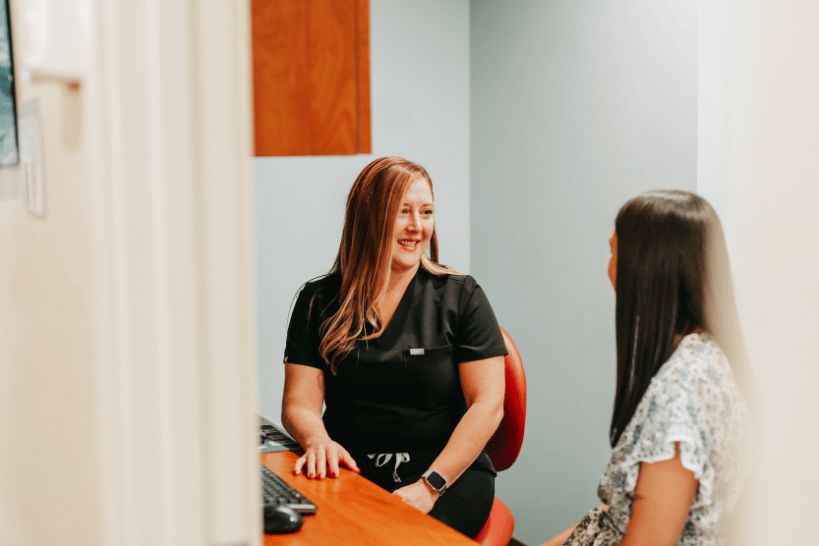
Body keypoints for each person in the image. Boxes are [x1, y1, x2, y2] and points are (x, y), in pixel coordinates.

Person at [281, 156, 507, 539]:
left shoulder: (461, 297)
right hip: (351, 473)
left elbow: (488, 405)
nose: (416, 227)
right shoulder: (319, 301)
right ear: (368, 218)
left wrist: (430, 486)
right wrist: (317, 441)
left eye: (426, 211)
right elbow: (299, 404)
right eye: (402, 212)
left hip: (445, 475)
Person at [544, 190, 753, 546]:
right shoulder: (711, 357)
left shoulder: (679, 396)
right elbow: (612, 515)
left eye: (613, 252)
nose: (609, 267)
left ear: (645, 269)